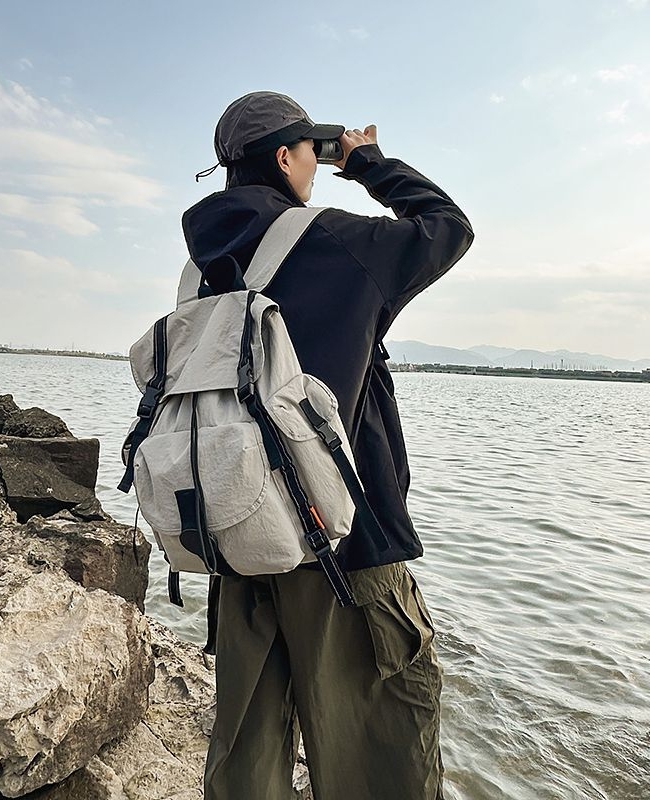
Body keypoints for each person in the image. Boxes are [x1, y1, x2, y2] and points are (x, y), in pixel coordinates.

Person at [182, 91, 474, 800]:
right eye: (312, 152)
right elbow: (447, 227)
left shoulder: (198, 270)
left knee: (246, 763)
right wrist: (368, 162)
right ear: (285, 157)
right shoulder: (338, 240)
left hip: (238, 540)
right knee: (383, 756)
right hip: (342, 548)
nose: (318, 166)